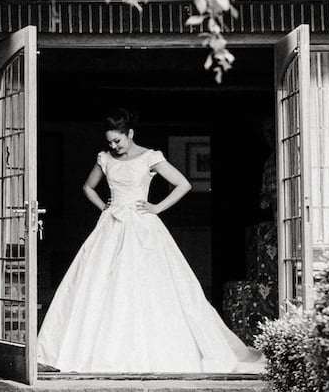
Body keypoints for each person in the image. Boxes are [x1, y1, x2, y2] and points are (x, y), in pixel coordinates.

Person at [35, 109, 264, 374]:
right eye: (109, 142)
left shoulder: (150, 157)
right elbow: (88, 187)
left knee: (150, 284)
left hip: (143, 226)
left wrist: (157, 208)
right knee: (98, 283)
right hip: (110, 226)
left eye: (117, 141)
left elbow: (183, 184)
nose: (113, 146)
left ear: (130, 134)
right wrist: (103, 207)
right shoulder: (104, 158)